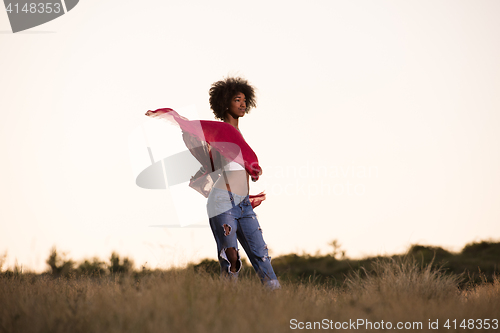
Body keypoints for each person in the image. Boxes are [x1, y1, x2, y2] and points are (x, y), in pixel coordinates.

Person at [145, 77, 280, 290]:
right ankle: (226, 303)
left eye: (245, 100)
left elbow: (226, 165)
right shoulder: (219, 131)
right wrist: (173, 116)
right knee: (231, 259)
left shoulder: (238, 136)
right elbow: (195, 131)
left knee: (261, 254)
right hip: (223, 202)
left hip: (243, 204)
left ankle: (276, 301)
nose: (243, 104)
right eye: (237, 100)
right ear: (226, 103)